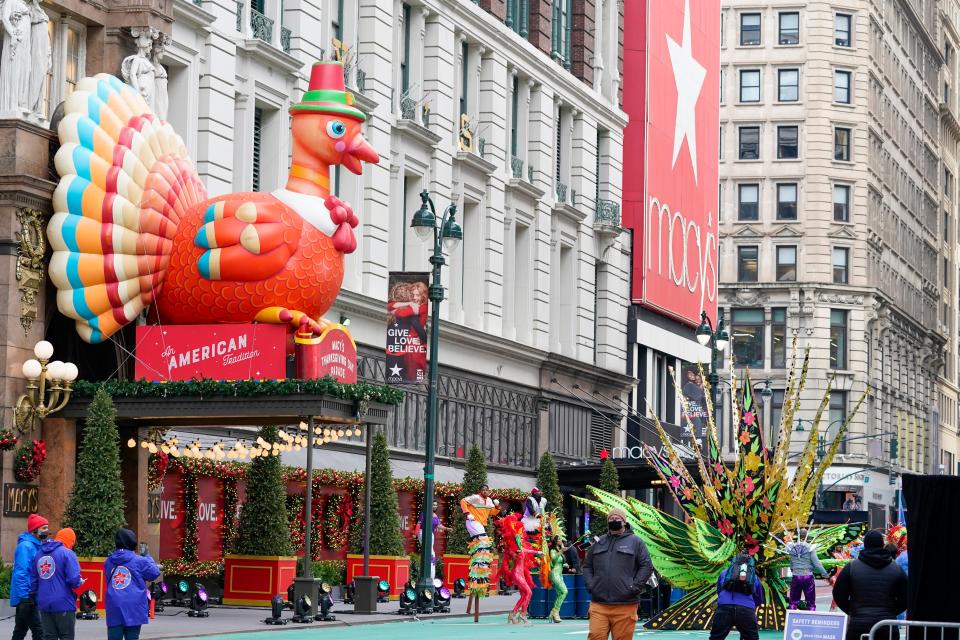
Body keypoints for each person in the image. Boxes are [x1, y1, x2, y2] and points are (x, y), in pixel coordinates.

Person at [583, 508, 654, 640]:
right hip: (599, 603)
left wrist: (634, 587)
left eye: (617, 519)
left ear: (624, 522)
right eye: (611, 519)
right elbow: (587, 566)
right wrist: (591, 585)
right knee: (595, 636)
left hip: (625, 604)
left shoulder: (636, 542)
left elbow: (646, 566)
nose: (614, 520)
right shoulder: (598, 542)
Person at [832, 529, 907, 640]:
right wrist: (891, 611)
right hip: (887, 625)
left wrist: (853, 610)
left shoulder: (851, 567)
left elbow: (838, 594)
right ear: (882, 545)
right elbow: (906, 597)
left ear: (865, 545)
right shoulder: (896, 568)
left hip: (859, 625)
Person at [104, 529, 160, 640]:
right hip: (134, 606)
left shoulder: (109, 561)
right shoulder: (139, 561)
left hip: (114, 604)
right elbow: (154, 573)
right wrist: (147, 556)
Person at [33, 528, 81, 640]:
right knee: (66, 636)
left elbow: (33, 580)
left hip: (44, 603)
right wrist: (79, 581)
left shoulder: (39, 554)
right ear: (71, 541)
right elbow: (74, 580)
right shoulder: (68, 553)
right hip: (63, 603)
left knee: (49, 637)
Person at [11, 513, 49, 640]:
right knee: (39, 631)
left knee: (20, 631)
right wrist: (24, 598)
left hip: (31, 596)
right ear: (34, 530)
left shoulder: (37, 545)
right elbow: (21, 573)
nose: (47, 530)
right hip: (27, 597)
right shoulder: (25, 547)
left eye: (47, 527)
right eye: (44, 528)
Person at [710, 554, 763, 640]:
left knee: (716, 637)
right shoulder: (754, 577)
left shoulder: (725, 573)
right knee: (752, 638)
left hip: (724, 608)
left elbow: (719, 591)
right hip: (746, 610)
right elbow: (758, 598)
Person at [460, 484, 500, 597]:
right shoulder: (475, 497)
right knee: (484, 539)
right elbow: (463, 501)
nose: (485, 491)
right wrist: (467, 514)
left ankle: (479, 562)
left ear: (489, 491)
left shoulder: (489, 501)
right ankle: (481, 561)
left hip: (480, 524)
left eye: (487, 489)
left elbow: (492, 513)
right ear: (480, 491)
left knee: (481, 543)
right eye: (483, 489)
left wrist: (497, 507)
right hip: (472, 521)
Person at [786, 528, 828, 610]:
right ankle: (811, 617)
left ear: (798, 536)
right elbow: (817, 563)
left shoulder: (791, 547)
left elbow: (791, 561)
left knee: (793, 601)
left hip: (796, 576)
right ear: (807, 536)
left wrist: (793, 569)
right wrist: (824, 573)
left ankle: (790, 618)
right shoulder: (810, 547)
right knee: (810, 601)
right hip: (807, 576)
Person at [415, 500, 450, 581]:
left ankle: (431, 575)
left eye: (436, 505)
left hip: (431, 534)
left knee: (431, 553)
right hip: (423, 533)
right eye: (433, 505)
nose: (434, 506)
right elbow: (419, 524)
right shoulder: (424, 514)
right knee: (429, 552)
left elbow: (438, 525)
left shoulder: (435, 515)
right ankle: (429, 575)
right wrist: (415, 533)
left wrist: (447, 529)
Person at [547, 536, 569, 623]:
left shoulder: (558, 550)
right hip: (555, 574)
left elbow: (559, 563)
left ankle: (554, 613)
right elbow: (553, 560)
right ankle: (555, 612)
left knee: (560, 593)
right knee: (564, 591)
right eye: (559, 539)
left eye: (561, 539)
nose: (561, 540)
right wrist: (561, 551)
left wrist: (564, 565)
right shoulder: (552, 550)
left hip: (560, 574)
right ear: (555, 541)